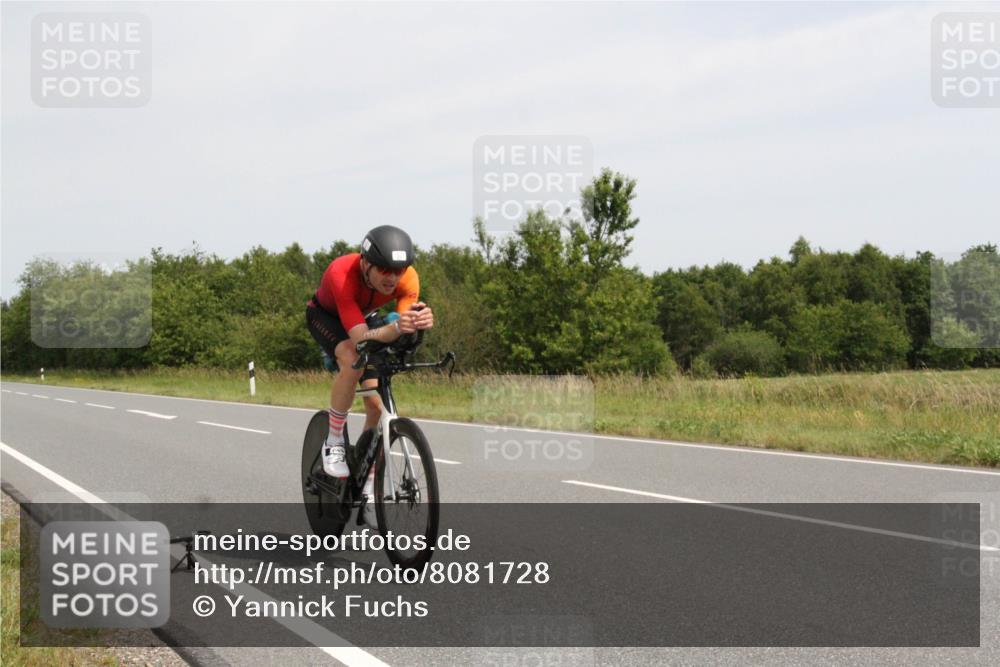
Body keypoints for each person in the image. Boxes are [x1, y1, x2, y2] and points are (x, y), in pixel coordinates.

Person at [305, 225, 434, 494]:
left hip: (364, 316)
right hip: (327, 316)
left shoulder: (408, 279)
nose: (393, 278)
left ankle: (366, 488)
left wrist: (417, 324)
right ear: (366, 264)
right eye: (384, 269)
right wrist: (395, 328)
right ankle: (335, 440)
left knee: (376, 407)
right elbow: (361, 339)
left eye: (398, 270)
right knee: (353, 359)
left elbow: (401, 326)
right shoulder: (343, 274)